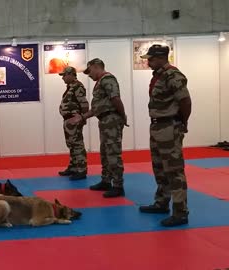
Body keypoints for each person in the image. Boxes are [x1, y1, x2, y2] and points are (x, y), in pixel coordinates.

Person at [138, 44, 192, 227]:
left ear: (161, 58)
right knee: (159, 167)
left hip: (169, 126)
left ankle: (180, 212)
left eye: (151, 59)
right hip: (157, 126)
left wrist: (182, 123)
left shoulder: (173, 75)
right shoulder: (159, 76)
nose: (148, 63)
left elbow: (185, 101)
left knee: (174, 170)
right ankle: (161, 202)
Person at [68, 58, 128, 198]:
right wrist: (82, 117)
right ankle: (106, 181)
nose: (89, 75)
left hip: (111, 120)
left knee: (113, 153)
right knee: (105, 153)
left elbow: (116, 99)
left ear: (96, 67)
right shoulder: (100, 82)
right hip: (105, 120)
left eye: (90, 71)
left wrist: (122, 116)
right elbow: (97, 108)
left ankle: (118, 186)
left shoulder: (107, 79)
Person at [57, 66, 89, 180]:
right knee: (71, 144)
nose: (63, 78)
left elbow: (84, 104)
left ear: (71, 74)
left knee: (77, 145)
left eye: (64, 75)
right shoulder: (70, 87)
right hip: (68, 120)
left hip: (74, 120)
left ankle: (81, 169)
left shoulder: (77, 87)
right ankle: (73, 167)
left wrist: (82, 119)